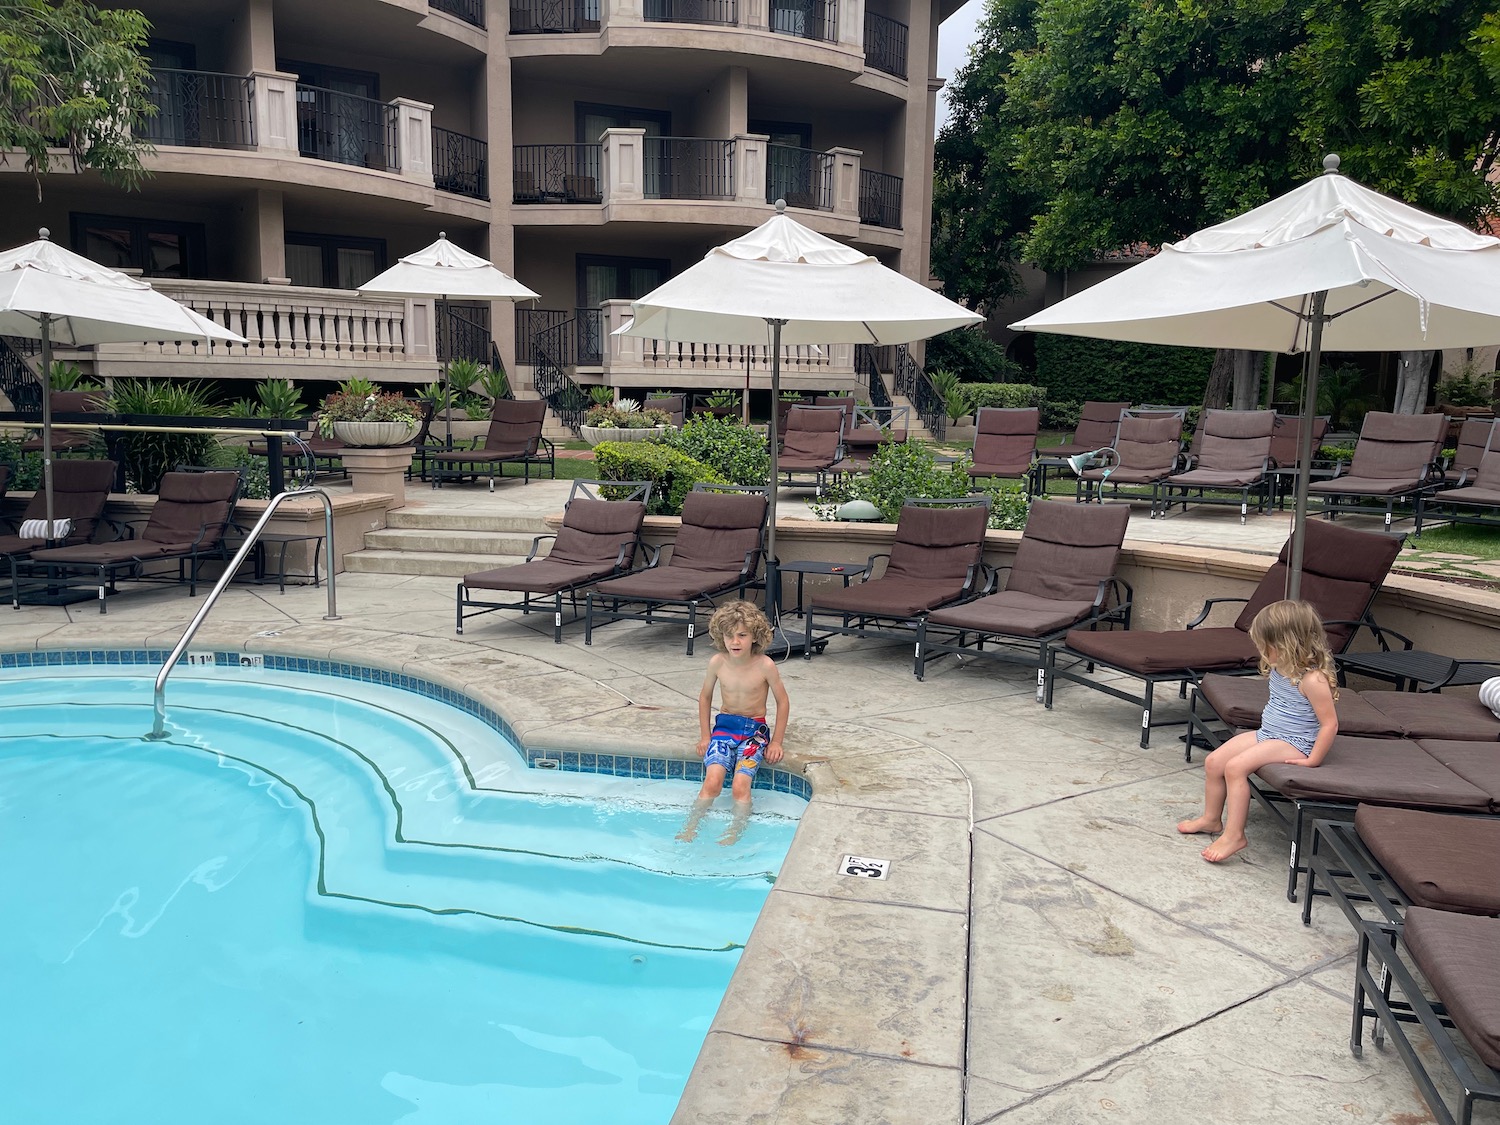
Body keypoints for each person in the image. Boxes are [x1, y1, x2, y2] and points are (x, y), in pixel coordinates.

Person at [1177, 599, 1338, 863]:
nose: (1261, 650)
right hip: (1270, 732)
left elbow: (1330, 723)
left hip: (1295, 741)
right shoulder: (1280, 667)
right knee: (1214, 761)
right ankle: (1211, 819)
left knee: (1236, 767)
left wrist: (1314, 759)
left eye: (1266, 645)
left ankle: (1234, 835)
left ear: (1287, 644)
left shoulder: (1313, 679)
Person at [676, 600, 790, 845]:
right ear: (721, 636)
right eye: (729, 636)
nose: (735, 642)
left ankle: (735, 832)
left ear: (755, 636)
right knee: (712, 781)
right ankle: (691, 828)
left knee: (740, 785)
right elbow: (705, 696)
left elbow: (783, 701)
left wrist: (777, 741)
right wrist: (706, 736)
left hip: (754, 732)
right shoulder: (718, 662)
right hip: (724, 728)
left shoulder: (765, 665)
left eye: (742, 635)